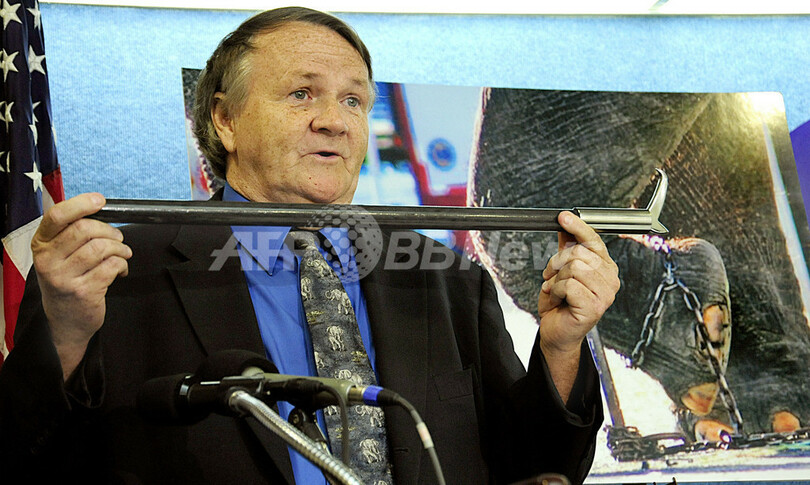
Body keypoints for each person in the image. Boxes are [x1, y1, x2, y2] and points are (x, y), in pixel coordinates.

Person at [0, 7, 619, 484]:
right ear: (224, 119)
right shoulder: (116, 278)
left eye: (353, 99)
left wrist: (561, 348)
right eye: (302, 94)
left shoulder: (444, 277)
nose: (336, 120)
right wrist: (67, 335)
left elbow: (535, 466)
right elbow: (32, 461)